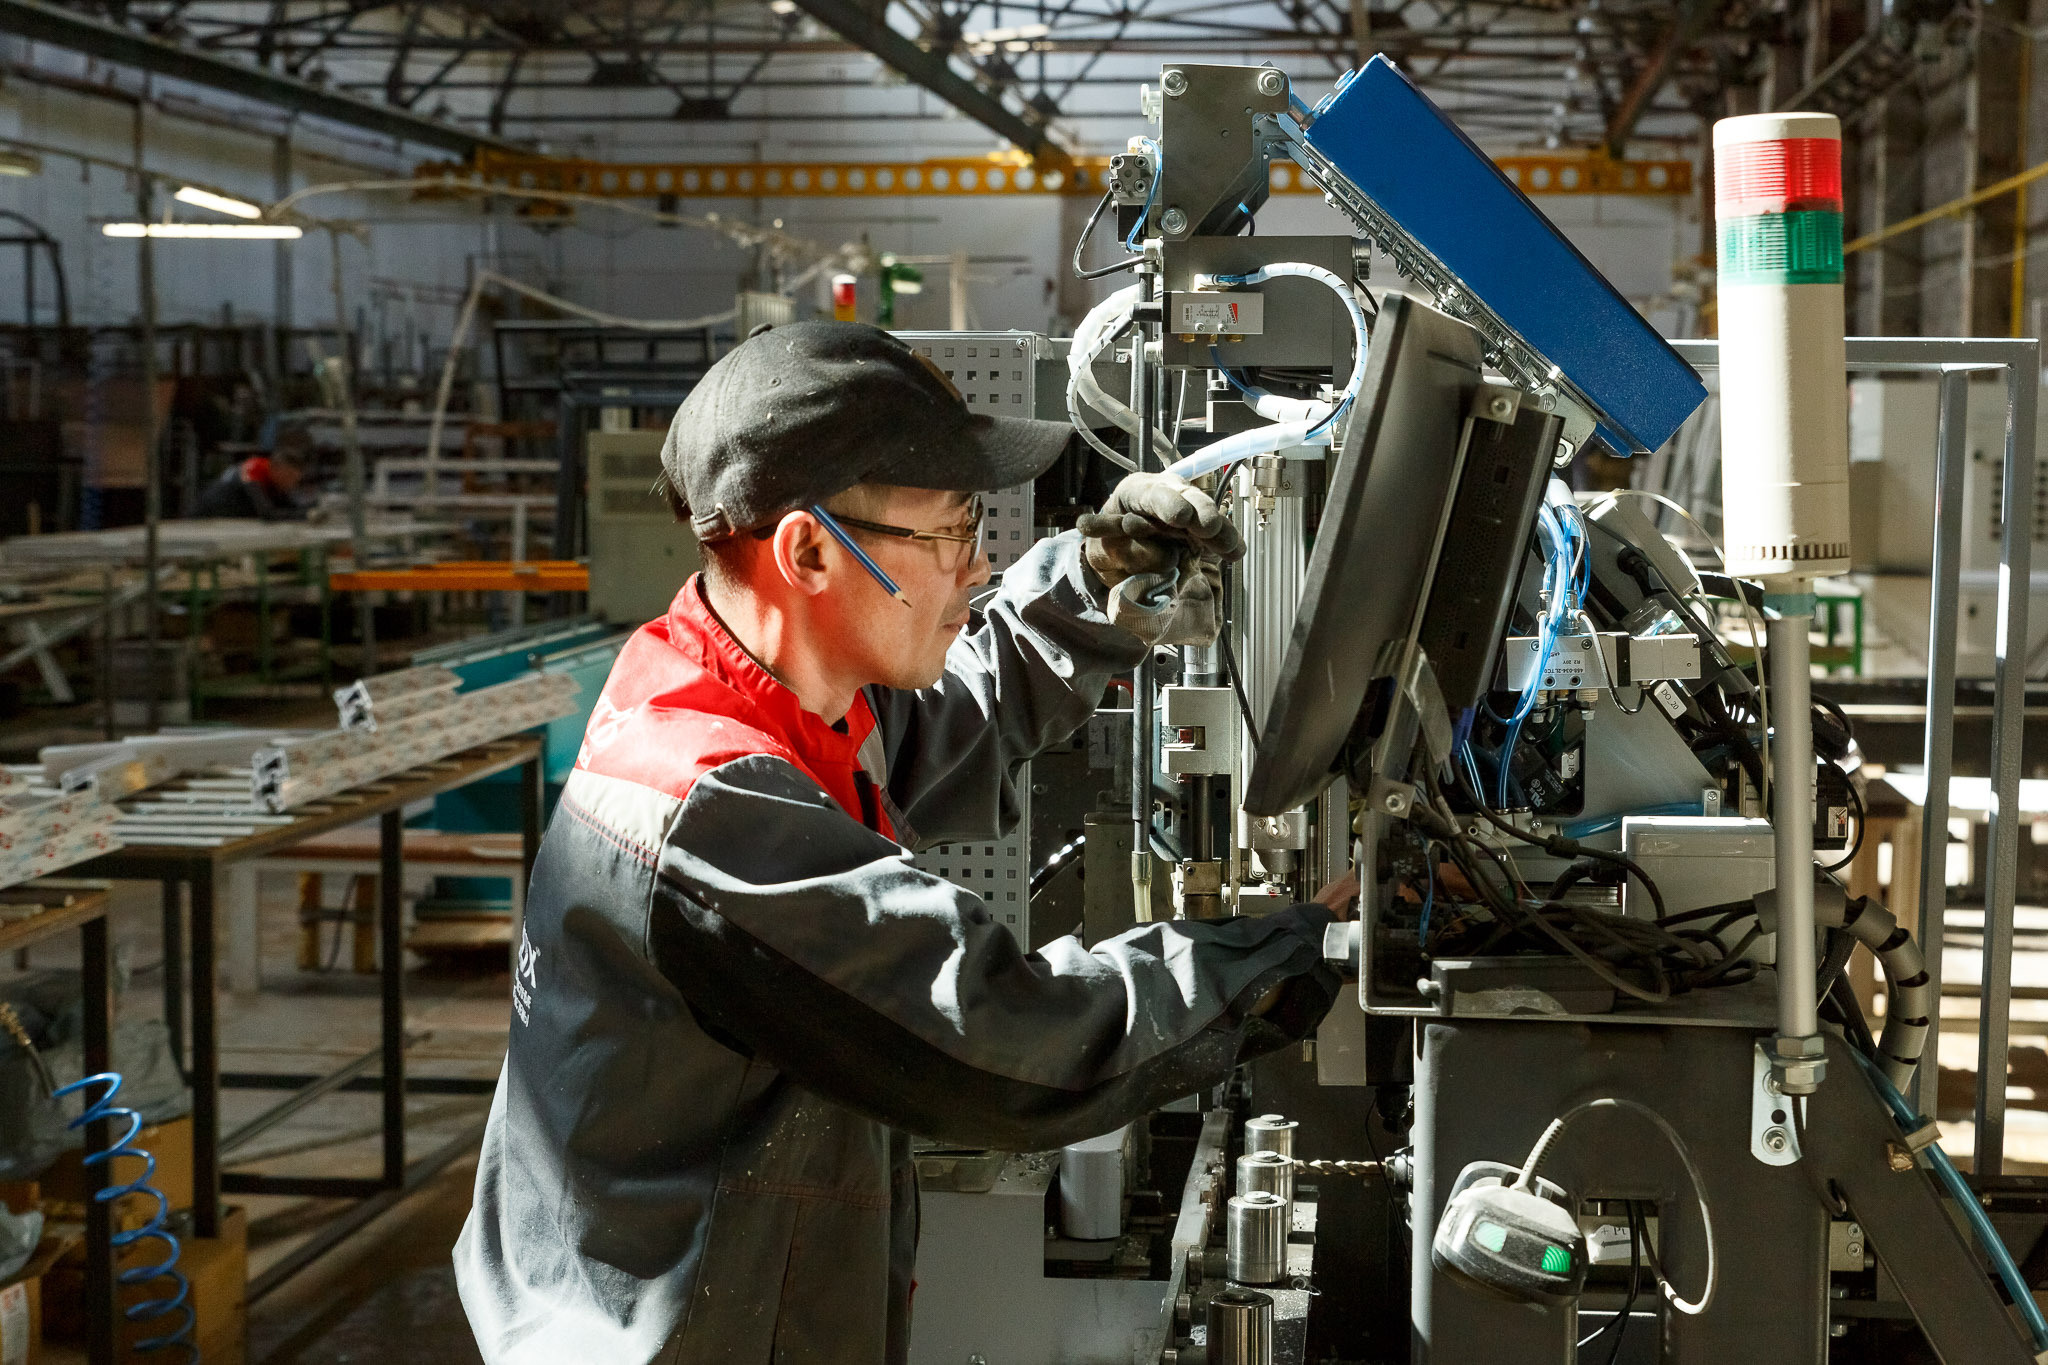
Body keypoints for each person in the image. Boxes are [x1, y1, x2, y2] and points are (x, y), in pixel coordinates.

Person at [454, 321, 1350, 1365]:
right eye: (952, 532)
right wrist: (1278, 959)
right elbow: (1009, 1039)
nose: (977, 569)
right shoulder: (711, 807)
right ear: (805, 551)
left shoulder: (763, 691)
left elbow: (955, 714)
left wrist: (1099, 570)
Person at [192, 443, 307, 520]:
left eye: (295, 480)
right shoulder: (253, 469)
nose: (291, 484)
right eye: (289, 477)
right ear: (277, 468)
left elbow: (289, 508)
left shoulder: (275, 481)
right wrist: (305, 514)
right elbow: (267, 513)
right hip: (206, 517)